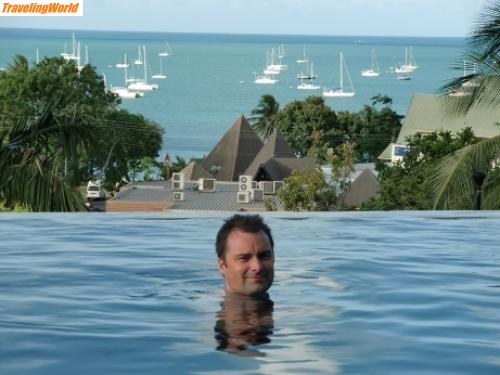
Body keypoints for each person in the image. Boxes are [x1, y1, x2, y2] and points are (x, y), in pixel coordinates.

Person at [215, 214, 275, 297]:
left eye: (264, 256)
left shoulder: (292, 306)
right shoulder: (205, 308)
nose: (257, 267)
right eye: (244, 258)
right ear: (222, 266)